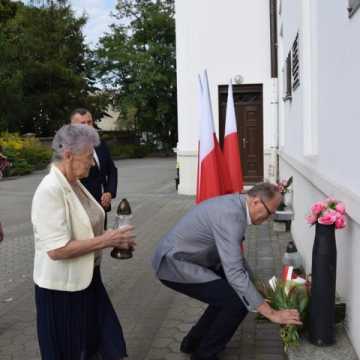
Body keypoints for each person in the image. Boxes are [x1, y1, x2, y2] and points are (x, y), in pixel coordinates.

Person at [152, 183, 302, 360]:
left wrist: (256, 288)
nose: (269, 219)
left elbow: (235, 259)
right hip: (174, 264)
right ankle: (204, 355)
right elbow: (235, 273)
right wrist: (271, 313)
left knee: (227, 296)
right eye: (270, 212)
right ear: (256, 202)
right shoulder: (231, 217)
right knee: (236, 302)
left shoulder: (237, 205)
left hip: (194, 258)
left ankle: (192, 342)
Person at [31, 124, 136, 360]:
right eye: (89, 157)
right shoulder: (50, 190)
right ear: (68, 155)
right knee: (73, 351)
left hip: (88, 280)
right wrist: (106, 240)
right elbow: (56, 250)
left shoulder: (75, 183)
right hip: (63, 290)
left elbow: (87, 227)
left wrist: (115, 238)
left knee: (108, 344)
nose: (93, 163)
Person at [70, 108, 117, 227]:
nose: (87, 126)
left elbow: (112, 170)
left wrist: (109, 192)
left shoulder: (100, 143)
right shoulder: (67, 149)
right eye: (82, 123)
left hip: (101, 206)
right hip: (80, 209)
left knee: (102, 241)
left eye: (89, 122)